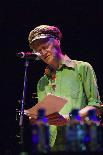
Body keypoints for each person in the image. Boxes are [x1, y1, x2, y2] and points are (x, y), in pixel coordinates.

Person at [28, 25, 101, 151]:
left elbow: (96, 107)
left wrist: (69, 118)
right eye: (38, 50)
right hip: (52, 146)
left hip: (80, 141)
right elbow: (44, 117)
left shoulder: (82, 68)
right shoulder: (42, 82)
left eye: (45, 46)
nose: (43, 52)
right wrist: (36, 119)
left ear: (57, 41)